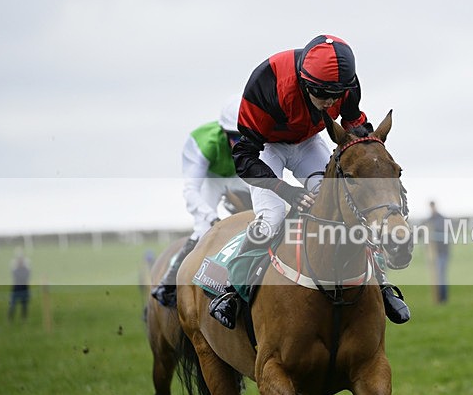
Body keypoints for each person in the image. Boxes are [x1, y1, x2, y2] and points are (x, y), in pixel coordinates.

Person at [209, 34, 410, 328]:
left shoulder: (348, 84)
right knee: (273, 216)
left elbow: (354, 122)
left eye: (335, 95)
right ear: (304, 82)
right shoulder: (266, 83)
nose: (329, 102)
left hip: (307, 144)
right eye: (322, 95)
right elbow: (243, 157)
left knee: (342, 204)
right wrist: (284, 190)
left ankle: (380, 283)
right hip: (266, 148)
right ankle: (232, 291)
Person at [151, 97, 251, 307]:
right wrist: (211, 216)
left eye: (246, 137)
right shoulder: (205, 143)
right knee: (204, 229)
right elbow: (191, 190)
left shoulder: (256, 134)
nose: (240, 144)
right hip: (210, 177)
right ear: (224, 133)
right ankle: (168, 283)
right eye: (235, 138)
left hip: (240, 174)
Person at [427, 201, 450, 303]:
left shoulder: (442, 219)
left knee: (441, 276)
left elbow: (445, 232)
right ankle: (438, 297)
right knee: (435, 276)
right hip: (431, 253)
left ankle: (442, 298)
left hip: (442, 252)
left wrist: (432, 233)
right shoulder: (428, 220)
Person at [8, 248, 31, 322]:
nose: (20, 261)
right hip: (16, 289)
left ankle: (23, 319)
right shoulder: (14, 267)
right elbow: (16, 276)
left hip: (24, 288)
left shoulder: (26, 267)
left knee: (24, 305)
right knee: (12, 305)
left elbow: (26, 276)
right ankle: (10, 319)